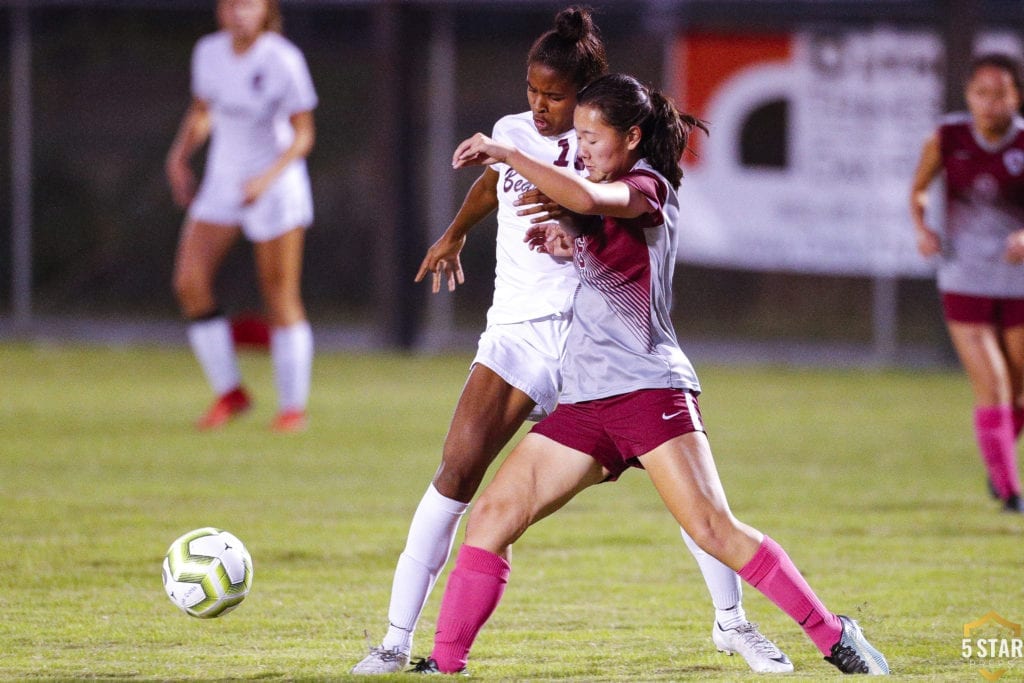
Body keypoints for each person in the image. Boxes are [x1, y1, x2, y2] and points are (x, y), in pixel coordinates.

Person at [351, 7, 790, 676]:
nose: (540, 106)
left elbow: (594, 199)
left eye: (554, 95)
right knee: (456, 472)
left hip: (597, 341)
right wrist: (456, 231)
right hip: (519, 335)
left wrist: (557, 200)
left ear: (588, 94)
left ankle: (733, 623)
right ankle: (394, 638)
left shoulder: (605, 150)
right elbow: (494, 183)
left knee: (692, 500)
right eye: (533, 92)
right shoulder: (513, 134)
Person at [407, 73, 890, 676]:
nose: (579, 148)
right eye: (577, 136)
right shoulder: (595, 188)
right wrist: (564, 244)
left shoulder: (646, 183)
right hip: (584, 405)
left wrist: (511, 154)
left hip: (648, 392)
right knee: (491, 519)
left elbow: (593, 203)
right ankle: (443, 665)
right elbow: (590, 225)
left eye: (591, 136)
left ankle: (835, 634)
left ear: (632, 136)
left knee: (714, 528)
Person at [165, 0, 317, 433]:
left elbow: (303, 134)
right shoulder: (208, 52)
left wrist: (266, 179)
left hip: (276, 185)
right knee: (189, 281)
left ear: (266, 10)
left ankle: (292, 409)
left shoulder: (282, 59)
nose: (239, 12)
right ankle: (231, 393)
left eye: (248, 4)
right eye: (231, 3)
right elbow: (202, 111)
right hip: (223, 181)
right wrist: (179, 155)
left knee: (279, 294)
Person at [910, 53, 1024, 513]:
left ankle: (997, 459)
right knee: (993, 384)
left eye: (1001, 93)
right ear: (968, 95)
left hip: (1017, 281)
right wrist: (922, 227)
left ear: (1016, 95)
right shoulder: (947, 137)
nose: (990, 102)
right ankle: (1009, 489)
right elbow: (918, 189)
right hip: (965, 279)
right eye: (982, 93)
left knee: (1018, 390)